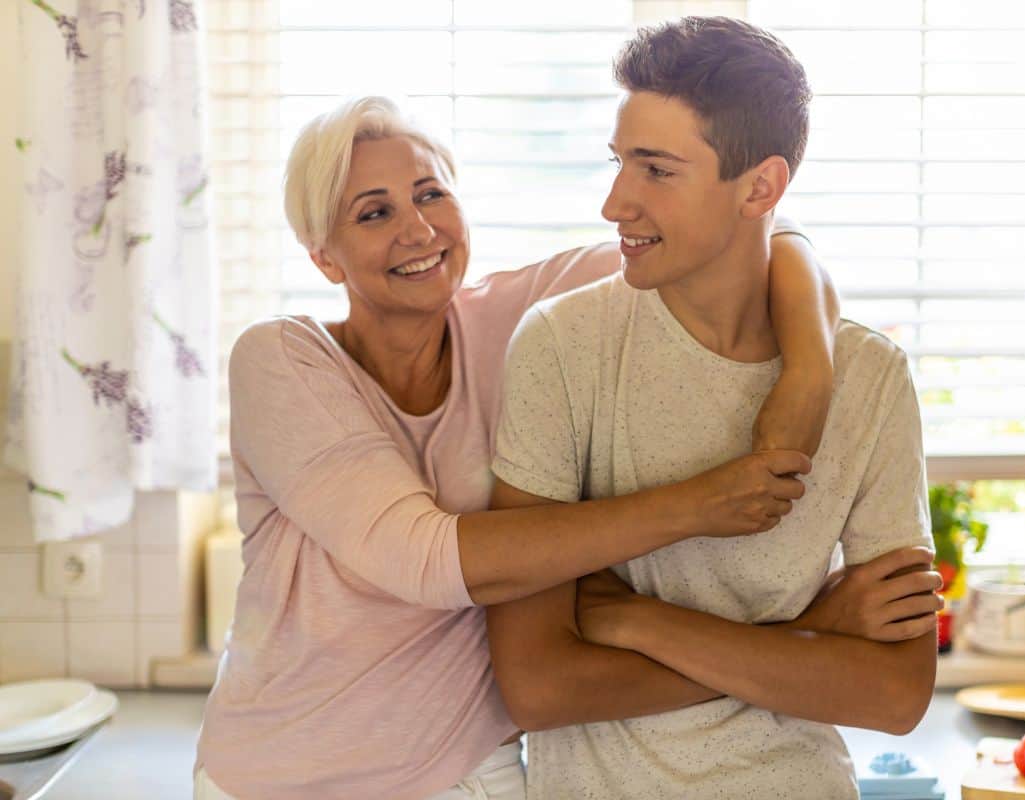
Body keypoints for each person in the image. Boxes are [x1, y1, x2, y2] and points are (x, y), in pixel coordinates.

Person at [192, 93, 845, 799]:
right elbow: (425, 560)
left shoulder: (520, 320)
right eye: (374, 212)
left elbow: (745, 233)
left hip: (473, 769)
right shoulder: (282, 359)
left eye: (430, 194)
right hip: (286, 776)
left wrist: (809, 369)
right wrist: (702, 509)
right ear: (325, 257)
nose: (417, 230)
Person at [486, 17, 939, 800]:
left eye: (656, 170)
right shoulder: (562, 346)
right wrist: (803, 644)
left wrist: (635, 620)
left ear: (760, 187)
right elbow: (538, 686)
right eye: (621, 161)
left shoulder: (869, 377)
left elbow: (895, 695)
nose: (614, 203)